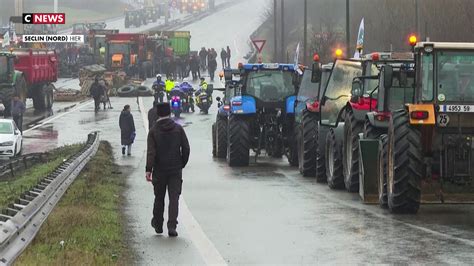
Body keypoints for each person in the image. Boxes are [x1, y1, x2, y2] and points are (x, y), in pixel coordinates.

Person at [146, 102, 190, 237]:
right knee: (174, 198)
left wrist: (149, 169)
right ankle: (172, 226)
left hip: (159, 169)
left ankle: (158, 224)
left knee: (159, 197)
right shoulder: (178, 129)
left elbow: (151, 152)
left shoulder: (153, 131)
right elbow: (186, 148)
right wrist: (181, 163)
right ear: (170, 113)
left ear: (158, 114)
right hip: (175, 169)